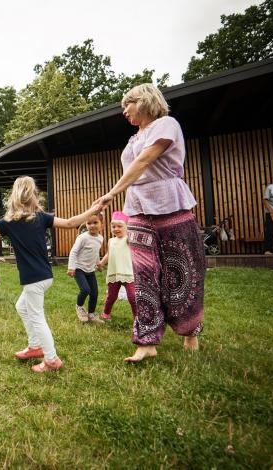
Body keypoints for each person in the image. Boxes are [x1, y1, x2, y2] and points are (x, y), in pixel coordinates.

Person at [93, 83, 205, 363]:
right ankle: (147, 341)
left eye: (126, 106)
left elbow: (144, 162)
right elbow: (135, 163)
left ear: (142, 101)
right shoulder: (133, 138)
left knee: (182, 271)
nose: (124, 112)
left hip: (171, 204)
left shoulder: (167, 124)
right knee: (143, 275)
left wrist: (111, 193)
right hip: (139, 209)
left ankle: (190, 331)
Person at [0, 176, 101, 373]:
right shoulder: (41, 217)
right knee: (21, 306)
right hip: (44, 276)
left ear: (14, 196)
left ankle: (51, 359)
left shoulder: (8, 222)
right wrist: (93, 209)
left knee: (37, 317)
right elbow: (71, 222)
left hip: (34, 280)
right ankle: (34, 347)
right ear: (33, 195)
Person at [98, 211, 137, 322]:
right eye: (113, 226)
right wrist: (101, 263)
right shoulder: (111, 241)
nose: (116, 229)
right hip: (114, 273)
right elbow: (108, 254)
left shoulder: (129, 239)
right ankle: (106, 313)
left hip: (127, 273)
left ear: (126, 227)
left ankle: (137, 318)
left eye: (120, 226)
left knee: (132, 297)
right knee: (111, 296)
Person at [67, 213, 104, 323]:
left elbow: (95, 252)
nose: (92, 225)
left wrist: (98, 264)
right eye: (89, 223)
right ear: (85, 225)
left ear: (102, 224)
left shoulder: (100, 238)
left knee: (94, 293)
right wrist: (71, 267)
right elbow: (73, 252)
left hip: (90, 270)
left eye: (95, 223)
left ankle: (91, 314)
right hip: (79, 269)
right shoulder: (82, 238)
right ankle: (79, 307)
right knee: (85, 289)